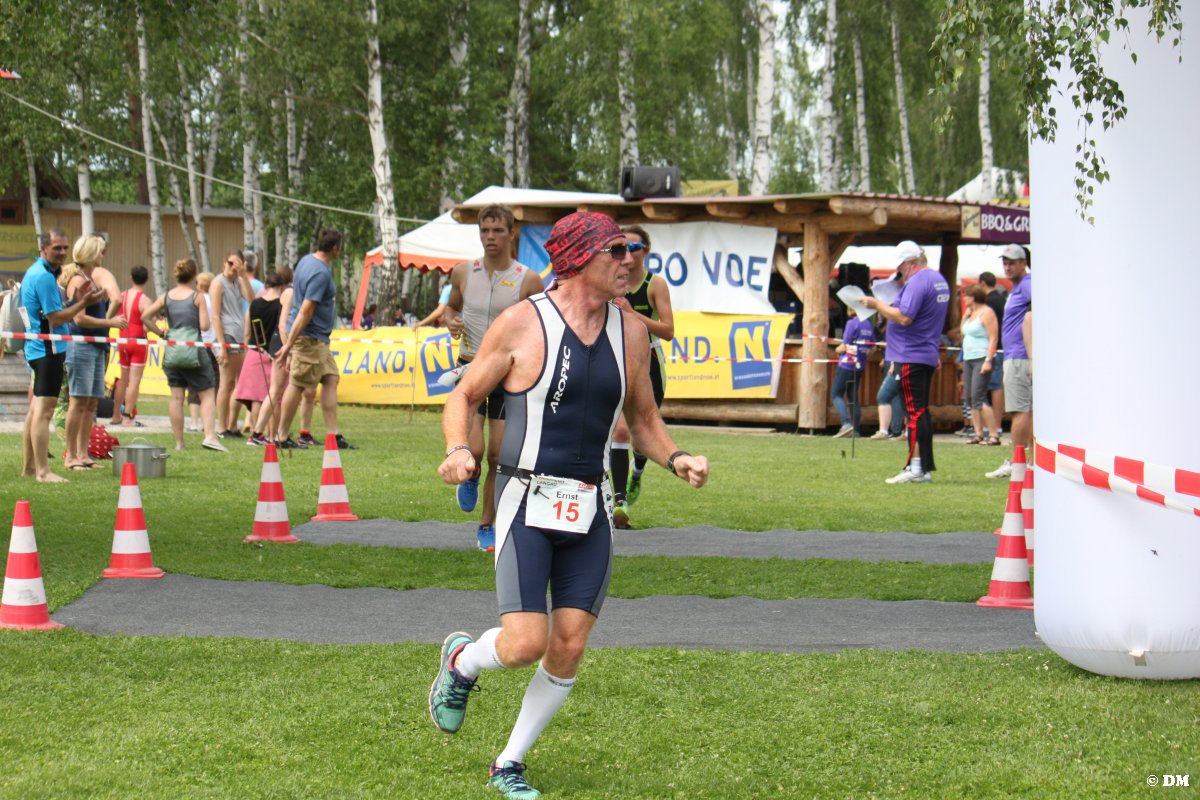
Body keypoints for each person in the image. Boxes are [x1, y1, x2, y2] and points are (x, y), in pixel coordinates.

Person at [429, 211, 710, 799]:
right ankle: (462, 663)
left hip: (591, 507)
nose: (630, 260)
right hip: (525, 499)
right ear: (580, 259)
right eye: (617, 250)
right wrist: (457, 448)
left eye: (633, 249)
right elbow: (464, 394)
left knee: (570, 643)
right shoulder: (521, 323)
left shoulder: (631, 331)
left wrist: (677, 457)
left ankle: (508, 763)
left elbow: (644, 418)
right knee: (525, 643)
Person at [443, 205, 545, 551]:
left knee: (498, 457)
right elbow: (451, 307)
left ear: (511, 233)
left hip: (506, 375)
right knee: (473, 449)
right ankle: (469, 475)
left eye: (498, 230)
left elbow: (540, 324)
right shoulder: (463, 272)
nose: (490, 237)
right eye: (485, 230)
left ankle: (487, 524)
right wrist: (451, 320)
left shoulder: (528, 279)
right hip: (470, 368)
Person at [19, 230, 106, 482]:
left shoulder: (37, 272)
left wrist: (73, 301)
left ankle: (29, 468)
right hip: (49, 349)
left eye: (65, 248)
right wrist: (83, 303)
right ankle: (43, 471)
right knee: (44, 411)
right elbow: (56, 319)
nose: (63, 252)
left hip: (38, 347)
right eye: (57, 248)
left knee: (36, 409)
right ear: (43, 248)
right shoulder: (44, 277)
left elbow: (50, 312)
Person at [862, 241, 950, 484]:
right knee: (920, 412)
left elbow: (904, 317)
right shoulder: (937, 279)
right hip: (923, 352)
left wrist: (877, 305)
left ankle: (916, 468)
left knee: (914, 414)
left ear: (910, 263)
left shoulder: (918, 282)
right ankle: (922, 467)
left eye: (901, 266)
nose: (899, 271)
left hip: (911, 354)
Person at [608, 224, 673, 528]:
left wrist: (632, 314)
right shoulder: (610, 282)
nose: (628, 254)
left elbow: (669, 331)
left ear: (646, 251)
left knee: (642, 435)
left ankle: (637, 471)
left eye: (634, 248)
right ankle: (619, 502)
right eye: (622, 248)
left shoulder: (654, 284)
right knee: (620, 432)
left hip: (649, 362)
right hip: (616, 359)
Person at [274, 228, 355, 450]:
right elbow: (306, 310)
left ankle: (333, 436)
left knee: (331, 378)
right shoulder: (320, 273)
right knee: (297, 384)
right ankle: (281, 436)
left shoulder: (305, 261)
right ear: (335, 248)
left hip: (319, 339)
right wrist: (289, 345)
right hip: (309, 337)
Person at [142, 259, 226, 452]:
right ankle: (210, 436)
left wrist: (161, 333)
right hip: (193, 350)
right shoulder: (197, 297)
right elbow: (205, 326)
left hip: (172, 350)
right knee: (207, 393)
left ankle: (179, 442)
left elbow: (145, 316)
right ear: (194, 276)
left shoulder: (165, 297)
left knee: (176, 397)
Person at [62, 235, 127, 471]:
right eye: (100, 251)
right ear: (91, 254)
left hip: (97, 346)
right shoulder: (78, 280)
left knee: (91, 404)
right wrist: (109, 322)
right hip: (81, 346)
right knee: (78, 402)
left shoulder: (90, 279)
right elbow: (78, 319)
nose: (103, 256)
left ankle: (83, 453)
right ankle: (71, 455)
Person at [987, 244, 1033, 479]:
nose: (1007, 266)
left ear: (1024, 263)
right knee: (1026, 411)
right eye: (1005, 262)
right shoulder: (1019, 287)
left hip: (1019, 357)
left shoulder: (1027, 284)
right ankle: (1030, 462)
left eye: (1012, 262)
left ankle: (1018, 463)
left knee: (1020, 410)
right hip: (1018, 356)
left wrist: (1032, 355)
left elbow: (1035, 313)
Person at [238, 269, 288, 445]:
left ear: (266, 285)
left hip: (254, 352)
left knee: (257, 398)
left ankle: (256, 432)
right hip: (274, 353)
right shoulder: (281, 305)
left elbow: (247, 332)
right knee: (275, 398)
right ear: (282, 286)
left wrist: (246, 351)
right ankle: (271, 435)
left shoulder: (254, 304)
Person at [210, 251, 254, 438]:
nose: (232, 268)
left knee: (239, 383)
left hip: (238, 334)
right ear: (224, 262)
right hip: (226, 335)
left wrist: (243, 275)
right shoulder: (217, 283)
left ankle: (232, 425)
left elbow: (252, 300)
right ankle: (222, 428)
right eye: (230, 263)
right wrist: (222, 345)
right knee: (226, 383)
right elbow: (215, 316)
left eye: (236, 265)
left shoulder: (238, 281)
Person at [959, 283, 1001, 445]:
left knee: (979, 396)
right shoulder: (971, 313)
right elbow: (963, 331)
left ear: (974, 297)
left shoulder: (987, 312)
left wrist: (988, 360)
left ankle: (993, 434)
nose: (964, 299)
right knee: (970, 397)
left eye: (966, 296)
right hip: (968, 357)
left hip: (981, 357)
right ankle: (978, 433)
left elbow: (993, 337)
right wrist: (965, 316)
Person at [110, 264, 151, 427]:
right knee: (134, 381)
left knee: (123, 379)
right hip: (138, 342)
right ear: (147, 279)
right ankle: (127, 417)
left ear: (131, 278)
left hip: (123, 341)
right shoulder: (144, 300)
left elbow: (111, 316)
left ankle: (115, 415)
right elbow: (147, 326)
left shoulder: (122, 296)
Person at [830, 306, 875, 438]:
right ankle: (856, 430)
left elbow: (844, 346)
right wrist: (862, 354)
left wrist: (837, 350)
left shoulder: (851, 323)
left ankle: (845, 424)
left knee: (836, 394)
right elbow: (873, 348)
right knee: (853, 397)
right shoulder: (868, 324)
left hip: (846, 364)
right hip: (859, 365)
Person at [979, 270, 1008, 437]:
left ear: (982, 283)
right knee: (996, 386)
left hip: (993, 347)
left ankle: (995, 425)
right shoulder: (1002, 299)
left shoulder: (988, 302)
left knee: (994, 387)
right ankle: (996, 424)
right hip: (1002, 345)